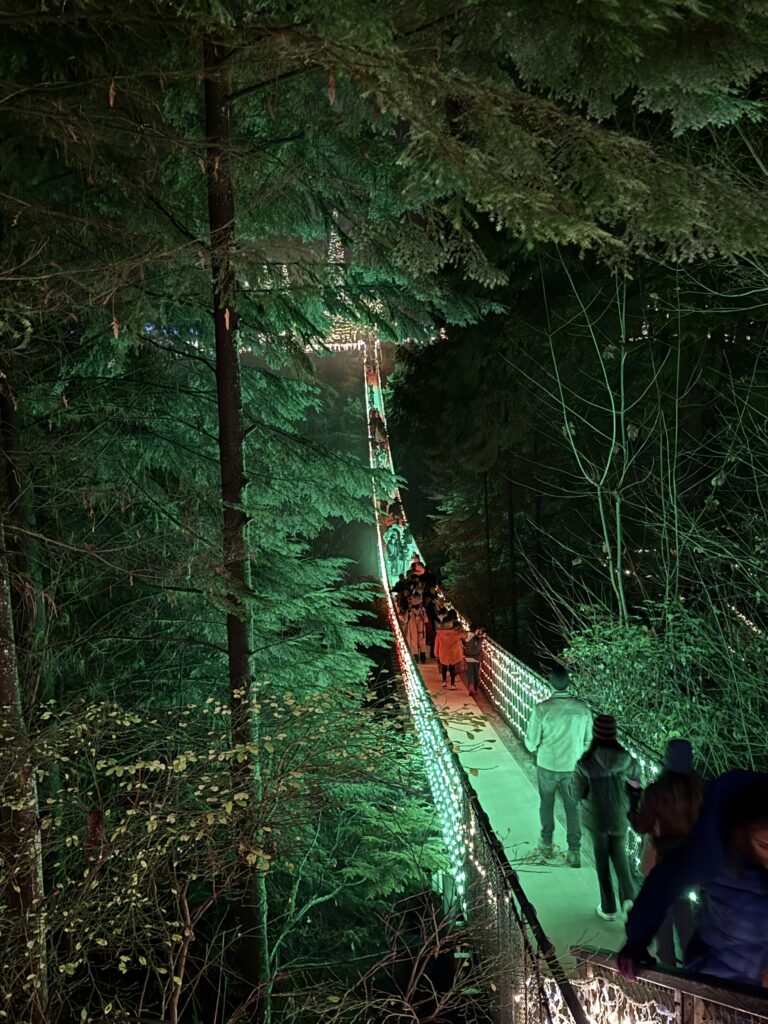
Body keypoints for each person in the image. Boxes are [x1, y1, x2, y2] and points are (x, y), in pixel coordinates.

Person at [619, 772, 768, 988]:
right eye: (764, 846)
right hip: (720, 973)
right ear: (741, 829)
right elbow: (664, 884)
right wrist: (635, 944)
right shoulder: (710, 847)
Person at [629, 738, 705, 965]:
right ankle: (691, 969)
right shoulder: (701, 791)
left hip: (662, 862)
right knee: (685, 915)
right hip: (691, 862)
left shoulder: (656, 791)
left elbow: (641, 825)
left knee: (662, 917)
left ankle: (669, 970)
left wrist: (633, 805)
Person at [524, 666, 592, 867]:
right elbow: (589, 741)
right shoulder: (583, 709)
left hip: (547, 765)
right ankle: (574, 851)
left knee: (547, 803)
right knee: (573, 808)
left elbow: (531, 742)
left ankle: (546, 844)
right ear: (568, 683)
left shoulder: (542, 709)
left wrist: (534, 747)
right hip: (573, 767)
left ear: (550, 684)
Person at [576, 715, 640, 920]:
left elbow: (576, 792)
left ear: (595, 734)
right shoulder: (627, 759)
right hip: (620, 815)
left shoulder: (586, 762)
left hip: (596, 819)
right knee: (620, 857)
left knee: (602, 861)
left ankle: (608, 908)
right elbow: (637, 783)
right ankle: (629, 901)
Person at [434, 610, 467, 689]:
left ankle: (444, 681)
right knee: (452, 668)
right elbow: (465, 635)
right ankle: (452, 684)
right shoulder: (455, 633)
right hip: (453, 653)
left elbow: (437, 644)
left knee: (444, 667)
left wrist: (436, 653)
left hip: (443, 653)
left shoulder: (439, 633)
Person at [401, 594, 429, 664]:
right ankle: (417, 659)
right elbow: (405, 620)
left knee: (421, 645)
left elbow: (426, 620)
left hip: (420, 631)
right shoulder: (410, 611)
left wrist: (421, 615)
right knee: (415, 644)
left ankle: (422, 659)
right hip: (414, 631)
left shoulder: (422, 611)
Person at [462, 626, 485, 696]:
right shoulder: (475, 638)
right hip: (475, 658)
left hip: (468, 657)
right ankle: (474, 689)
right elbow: (477, 648)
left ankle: (471, 687)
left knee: (470, 673)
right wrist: (482, 638)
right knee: (476, 674)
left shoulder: (467, 635)